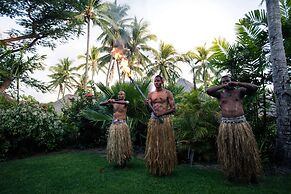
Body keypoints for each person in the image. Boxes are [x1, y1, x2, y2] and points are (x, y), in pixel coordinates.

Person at [206, 75, 261, 183]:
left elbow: (254, 88)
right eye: (224, 81)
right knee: (229, 151)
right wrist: (222, 86)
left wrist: (238, 83)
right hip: (226, 126)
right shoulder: (220, 94)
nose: (227, 83)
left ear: (232, 81)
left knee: (246, 150)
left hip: (241, 124)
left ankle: (251, 174)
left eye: (228, 81)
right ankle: (231, 174)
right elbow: (208, 91)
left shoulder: (239, 91)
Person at [145, 75, 177, 176]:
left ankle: (166, 167)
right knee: (154, 144)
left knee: (165, 144)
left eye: (158, 81)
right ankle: (156, 167)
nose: (157, 83)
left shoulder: (167, 93)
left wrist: (162, 114)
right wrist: (147, 105)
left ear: (162, 81)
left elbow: (173, 109)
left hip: (164, 121)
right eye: (155, 81)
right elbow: (149, 110)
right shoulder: (151, 94)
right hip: (154, 121)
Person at [100, 90, 132, 167]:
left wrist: (114, 101)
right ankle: (118, 160)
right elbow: (101, 104)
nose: (120, 95)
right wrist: (108, 101)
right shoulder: (114, 103)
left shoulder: (125, 103)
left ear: (124, 96)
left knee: (122, 144)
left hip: (122, 125)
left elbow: (126, 103)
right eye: (119, 94)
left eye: (122, 94)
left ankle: (123, 161)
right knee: (116, 144)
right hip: (114, 125)